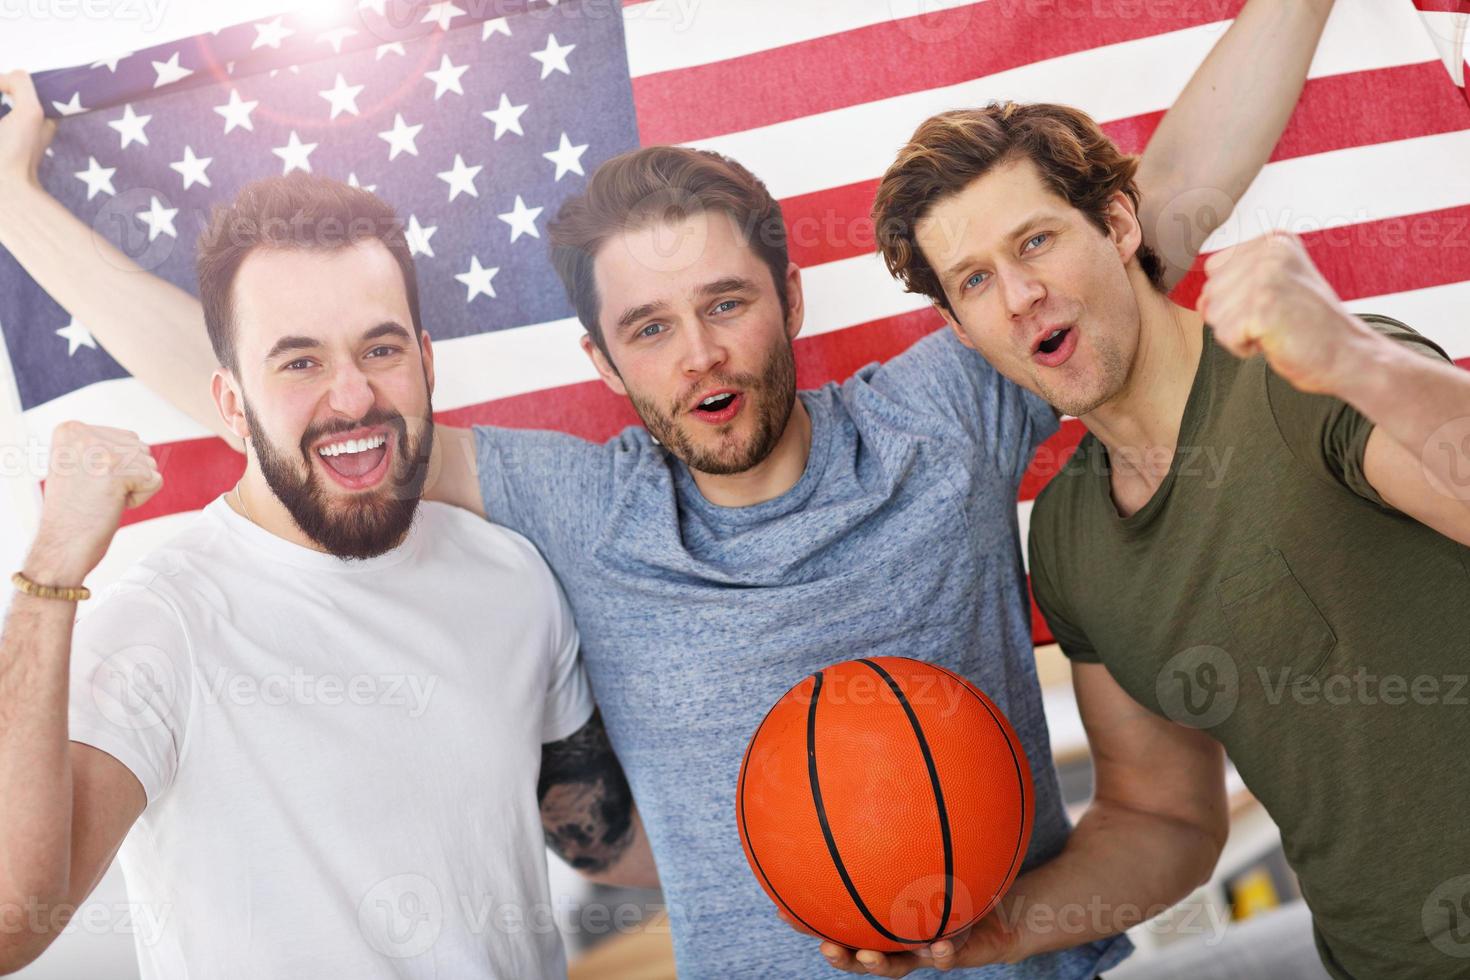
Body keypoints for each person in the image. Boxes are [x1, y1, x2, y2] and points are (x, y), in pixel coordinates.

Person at [0, 3, 1341, 974]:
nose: (698, 353)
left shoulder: (944, 414)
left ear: (788, 300)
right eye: (648, 327)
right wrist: (13, 204)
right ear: (600, 358)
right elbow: (297, 408)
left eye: (724, 304)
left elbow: (1163, 198)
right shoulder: (587, 509)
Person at [865, 99, 1470, 979]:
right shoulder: (1069, 540)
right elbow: (1164, 818)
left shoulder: (1306, 372)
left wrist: (1351, 356)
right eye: (976, 280)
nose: (1020, 294)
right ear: (962, 331)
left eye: (1034, 242)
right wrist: (998, 932)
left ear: (1116, 223)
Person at [0, 175, 655, 979]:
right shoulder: (163, 624)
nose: (352, 398)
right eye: (298, 361)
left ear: (425, 360)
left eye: (380, 350)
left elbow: (600, 838)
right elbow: (8, 924)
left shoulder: (510, 573)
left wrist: (825, 875)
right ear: (231, 406)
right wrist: (50, 564)